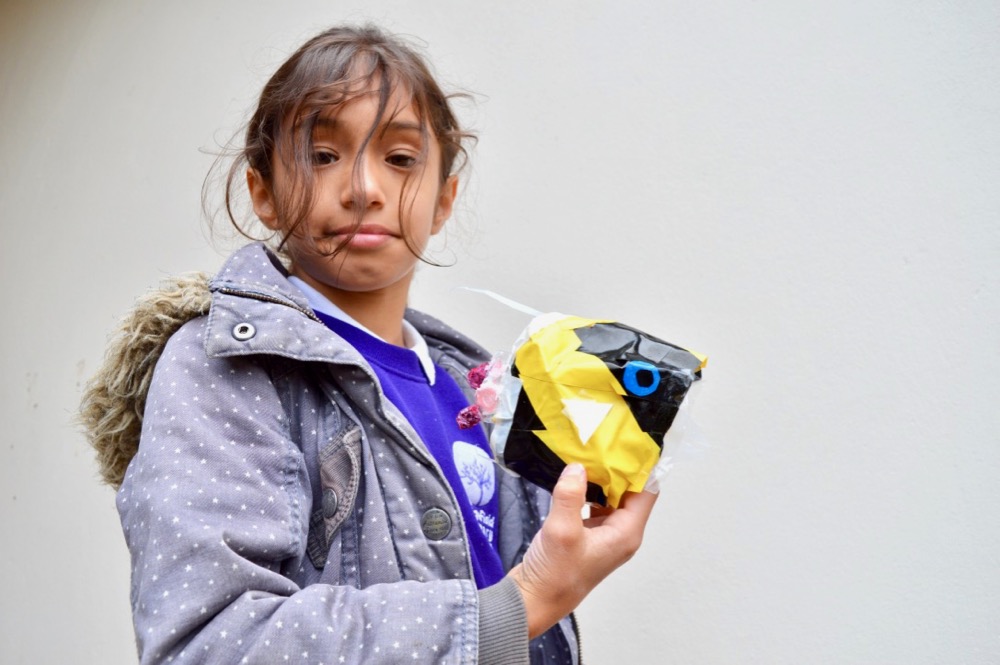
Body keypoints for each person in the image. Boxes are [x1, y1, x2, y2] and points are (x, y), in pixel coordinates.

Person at [80, 25, 657, 664]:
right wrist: (521, 603)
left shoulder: (481, 393)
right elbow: (209, 643)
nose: (363, 187)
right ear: (263, 191)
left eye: (401, 159)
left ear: (444, 200)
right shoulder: (222, 366)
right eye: (322, 155)